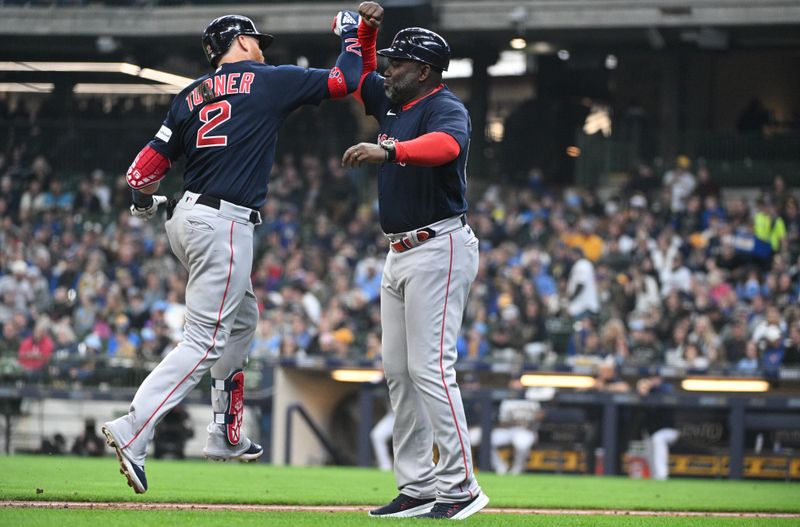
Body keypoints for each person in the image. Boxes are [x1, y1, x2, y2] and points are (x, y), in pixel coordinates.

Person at [101, 13, 363, 494]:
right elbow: (346, 79)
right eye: (256, 40)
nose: (261, 47)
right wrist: (352, 35)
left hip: (187, 219)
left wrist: (146, 204)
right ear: (241, 41)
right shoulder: (266, 80)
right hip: (223, 224)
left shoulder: (189, 95)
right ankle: (133, 430)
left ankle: (224, 432)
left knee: (241, 319)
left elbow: (140, 174)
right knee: (204, 341)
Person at [340, 2, 488, 519]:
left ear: (423, 70)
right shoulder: (394, 100)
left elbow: (446, 147)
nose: (388, 67)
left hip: (439, 244)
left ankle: (461, 486)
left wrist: (392, 152)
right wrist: (367, 31)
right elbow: (356, 74)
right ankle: (419, 485)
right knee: (398, 373)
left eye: (398, 62)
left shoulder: (445, 106)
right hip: (400, 251)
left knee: (431, 369)